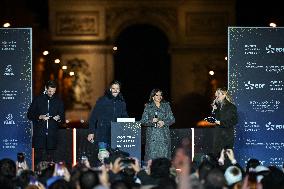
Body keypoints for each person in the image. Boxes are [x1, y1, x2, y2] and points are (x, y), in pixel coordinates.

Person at [27, 80, 65, 166]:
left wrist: (58, 118)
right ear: (45, 88)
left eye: (54, 91)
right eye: (50, 91)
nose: (52, 93)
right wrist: (40, 117)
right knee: (38, 161)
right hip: (39, 137)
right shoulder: (38, 99)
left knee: (51, 162)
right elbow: (29, 114)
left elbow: (62, 118)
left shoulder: (58, 101)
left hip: (52, 137)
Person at [87, 80, 128, 151]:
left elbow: (125, 117)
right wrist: (91, 132)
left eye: (117, 89)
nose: (115, 90)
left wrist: (130, 127)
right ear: (110, 89)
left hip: (116, 135)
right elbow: (93, 117)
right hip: (103, 135)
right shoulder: (102, 100)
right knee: (103, 157)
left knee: (114, 158)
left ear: (119, 90)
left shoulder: (121, 102)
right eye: (113, 88)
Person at [141, 89, 175, 161]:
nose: (159, 97)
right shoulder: (148, 106)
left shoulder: (166, 106)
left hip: (164, 136)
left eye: (160, 95)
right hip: (152, 137)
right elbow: (143, 121)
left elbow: (172, 119)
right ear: (153, 97)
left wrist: (164, 122)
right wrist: (152, 121)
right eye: (157, 95)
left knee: (164, 158)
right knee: (152, 159)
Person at [210, 87, 238, 156]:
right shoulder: (218, 106)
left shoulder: (231, 106)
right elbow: (213, 119)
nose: (216, 96)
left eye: (218, 93)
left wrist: (220, 122)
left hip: (226, 138)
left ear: (224, 94)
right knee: (216, 159)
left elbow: (234, 121)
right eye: (216, 94)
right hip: (217, 138)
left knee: (225, 160)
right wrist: (214, 110)